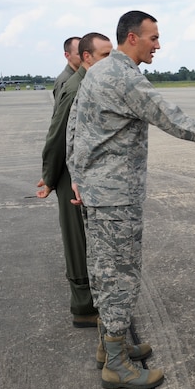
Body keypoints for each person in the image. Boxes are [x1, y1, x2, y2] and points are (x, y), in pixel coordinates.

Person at [66, 10, 195, 389]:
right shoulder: (124, 79)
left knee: (103, 270)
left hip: (99, 193)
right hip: (116, 198)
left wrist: (77, 175)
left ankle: (108, 347)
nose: (158, 45)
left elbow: (73, 124)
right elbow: (178, 122)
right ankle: (115, 363)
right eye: (153, 38)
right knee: (120, 276)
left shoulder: (96, 71)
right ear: (132, 38)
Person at [37, 33, 113, 329]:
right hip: (71, 174)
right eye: (105, 56)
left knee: (89, 240)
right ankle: (83, 306)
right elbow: (57, 135)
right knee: (77, 239)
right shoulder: (74, 86)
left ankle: (93, 300)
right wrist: (50, 177)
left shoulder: (88, 82)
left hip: (85, 172)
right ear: (85, 57)